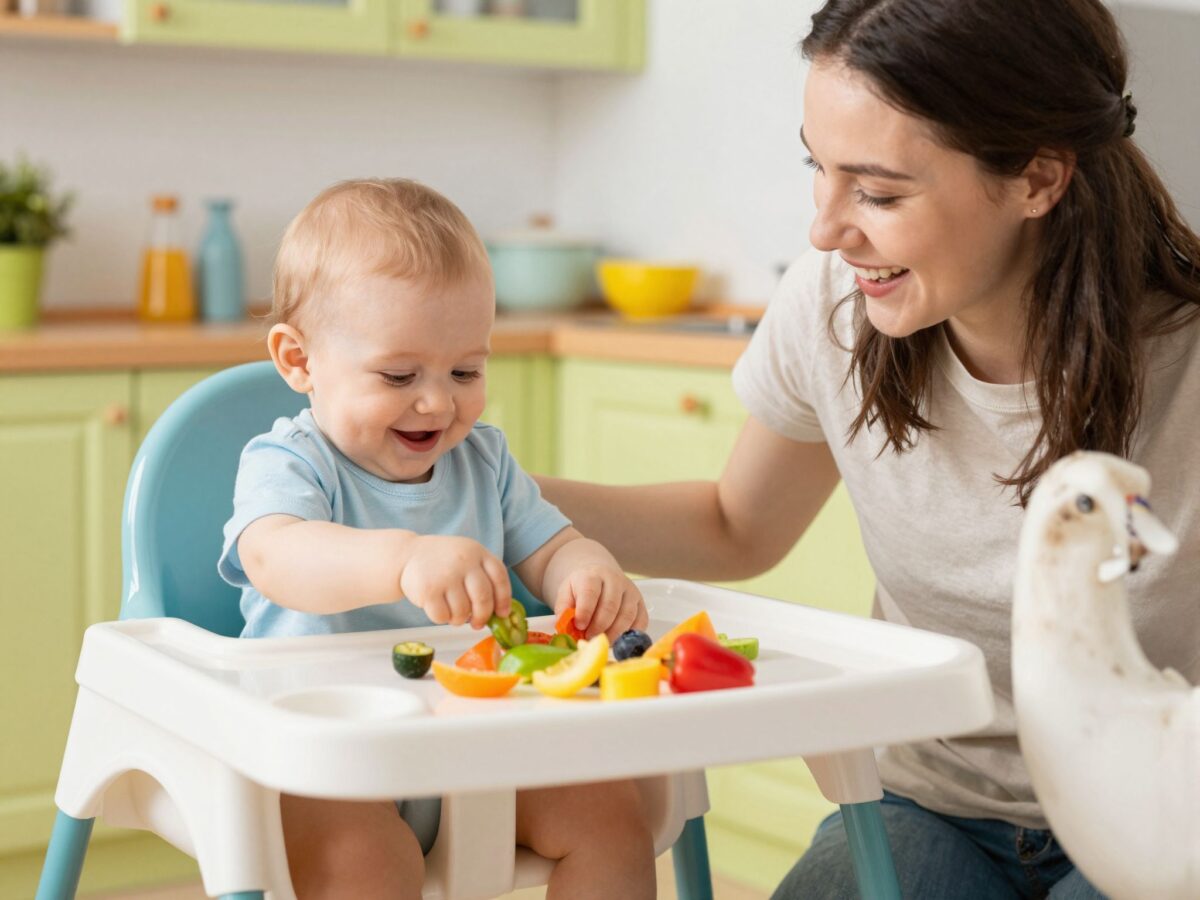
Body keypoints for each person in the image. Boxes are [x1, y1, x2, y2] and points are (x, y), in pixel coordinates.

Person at [536, 1, 1200, 897]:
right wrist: (496, 495)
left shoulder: (1187, 358)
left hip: (1158, 815)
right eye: (820, 169)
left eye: (880, 193)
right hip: (928, 804)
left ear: (1038, 179)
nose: (826, 230)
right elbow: (735, 525)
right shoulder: (836, 305)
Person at [217, 178, 654, 900]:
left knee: (611, 815)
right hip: (326, 749)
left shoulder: (483, 461)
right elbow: (276, 556)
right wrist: (403, 558)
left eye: (466, 370)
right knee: (367, 864)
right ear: (299, 361)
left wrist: (588, 573)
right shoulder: (289, 462)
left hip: (470, 738)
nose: (438, 401)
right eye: (399, 374)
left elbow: (551, 546)